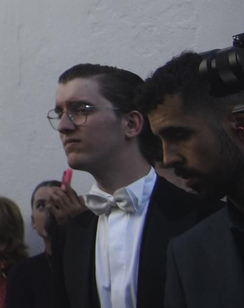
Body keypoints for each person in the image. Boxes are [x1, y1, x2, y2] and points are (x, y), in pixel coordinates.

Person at [40, 63, 214, 308]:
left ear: (131, 124)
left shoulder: (203, 219)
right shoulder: (69, 234)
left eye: (81, 109)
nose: (63, 126)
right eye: (60, 113)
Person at [137, 51, 244, 306]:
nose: (168, 158)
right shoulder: (187, 253)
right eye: (161, 141)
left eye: (179, 135)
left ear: (239, 123)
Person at [5, 180, 60, 308]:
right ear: (33, 221)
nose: (49, 210)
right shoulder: (22, 273)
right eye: (41, 206)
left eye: (57, 204)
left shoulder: (92, 262)